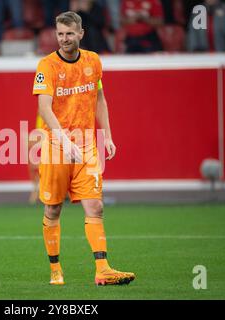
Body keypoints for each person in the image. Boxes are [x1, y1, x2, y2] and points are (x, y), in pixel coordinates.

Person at [32, 11, 136, 286]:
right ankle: (56, 269)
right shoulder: (47, 66)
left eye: (69, 33)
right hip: (56, 145)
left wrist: (108, 136)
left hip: (87, 144)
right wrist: (64, 140)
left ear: (81, 34)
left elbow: (100, 99)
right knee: (53, 210)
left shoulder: (93, 61)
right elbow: (44, 107)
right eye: (60, 34)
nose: (64, 39)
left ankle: (102, 269)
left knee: (95, 205)